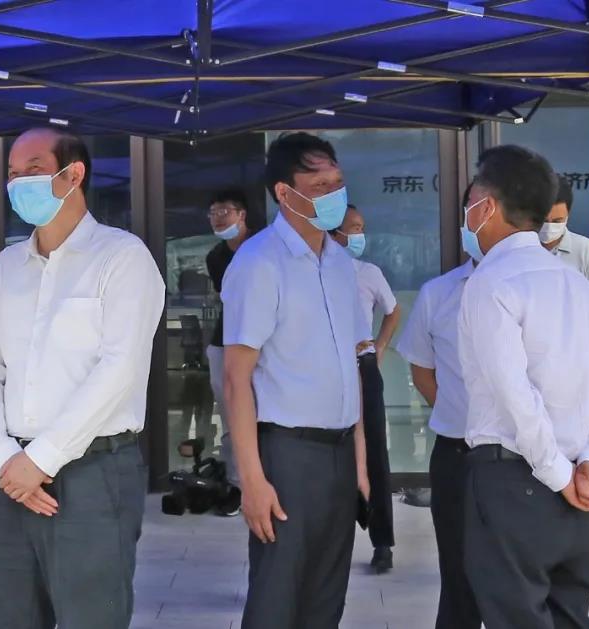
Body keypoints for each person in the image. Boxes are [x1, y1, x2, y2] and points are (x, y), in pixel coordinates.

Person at [0, 126, 164, 629]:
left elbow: (119, 368)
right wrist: (8, 460)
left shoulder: (122, 257)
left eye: (32, 171)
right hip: (11, 476)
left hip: (93, 473)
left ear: (73, 175)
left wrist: (42, 459)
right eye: (12, 174)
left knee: (91, 617)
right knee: (5, 616)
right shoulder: (7, 266)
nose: (18, 184)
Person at [223, 132, 370, 629]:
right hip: (286, 455)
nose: (333, 194)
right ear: (284, 193)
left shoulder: (342, 264)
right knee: (277, 595)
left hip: (339, 453)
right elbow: (236, 380)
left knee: (326, 597)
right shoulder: (259, 263)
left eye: (337, 183)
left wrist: (360, 462)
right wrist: (252, 481)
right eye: (319, 185)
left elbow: (350, 366)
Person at [458, 145, 589, 628]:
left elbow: (514, 394)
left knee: (516, 616)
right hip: (574, 481)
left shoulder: (491, 283)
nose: (468, 214)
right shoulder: (580, 287)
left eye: (471, 202)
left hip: (514, 478)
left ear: (487, 206)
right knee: (568, 615)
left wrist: (562, 475)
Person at [396, 183, 481, 629]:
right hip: (459, 454)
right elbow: (422, 369)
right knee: (459, 577)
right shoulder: (440, 293)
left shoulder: (558, 289)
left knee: (522, 587)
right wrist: (452, 410)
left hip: (529, 464)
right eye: (474, 209)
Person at [329, 204, 399, 573]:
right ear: (333, 232)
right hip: (327, 370)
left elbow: (393, 310)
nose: (359, 235)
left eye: (361, 227)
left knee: (374, 453)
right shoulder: (316, 274)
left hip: (363, 365)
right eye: (353, 228)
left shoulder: (368, 272)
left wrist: (380, 346)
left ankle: (382, 541)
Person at [204, 189, 266, 506]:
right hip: (226, 340)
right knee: (231, 411)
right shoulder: (215, 257)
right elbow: (225, 298)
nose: (218, 218)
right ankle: (237, 482)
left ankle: (269, 478)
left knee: (265, 411)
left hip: (266, 341)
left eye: (224, 211)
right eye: (213, 213)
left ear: (242, 214)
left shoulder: (264, 247)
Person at [539, 173, 589, 295]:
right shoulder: (518, 250)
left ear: (567, 214)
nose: (549, 227)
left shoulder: (586, 251)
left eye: (557, 221)